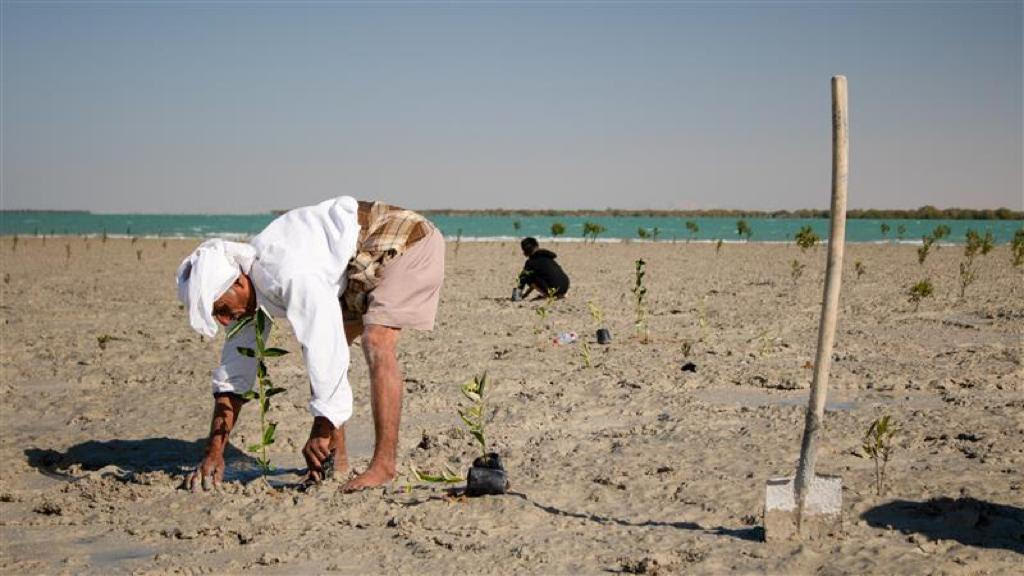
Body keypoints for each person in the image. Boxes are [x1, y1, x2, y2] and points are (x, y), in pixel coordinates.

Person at [176, 196, 444, 492]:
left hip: (404, 238)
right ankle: (335, 460)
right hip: (355, 261)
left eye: (223, 309)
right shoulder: (245, 289)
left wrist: (321, 426)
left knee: (376, 340)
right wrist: (214, 452)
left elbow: (323, 347)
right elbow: (234, 374)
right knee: (328, 347)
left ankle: (383, 466)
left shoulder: (289, 274)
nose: (224, 320)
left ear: (239, 283)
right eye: (216, 315)